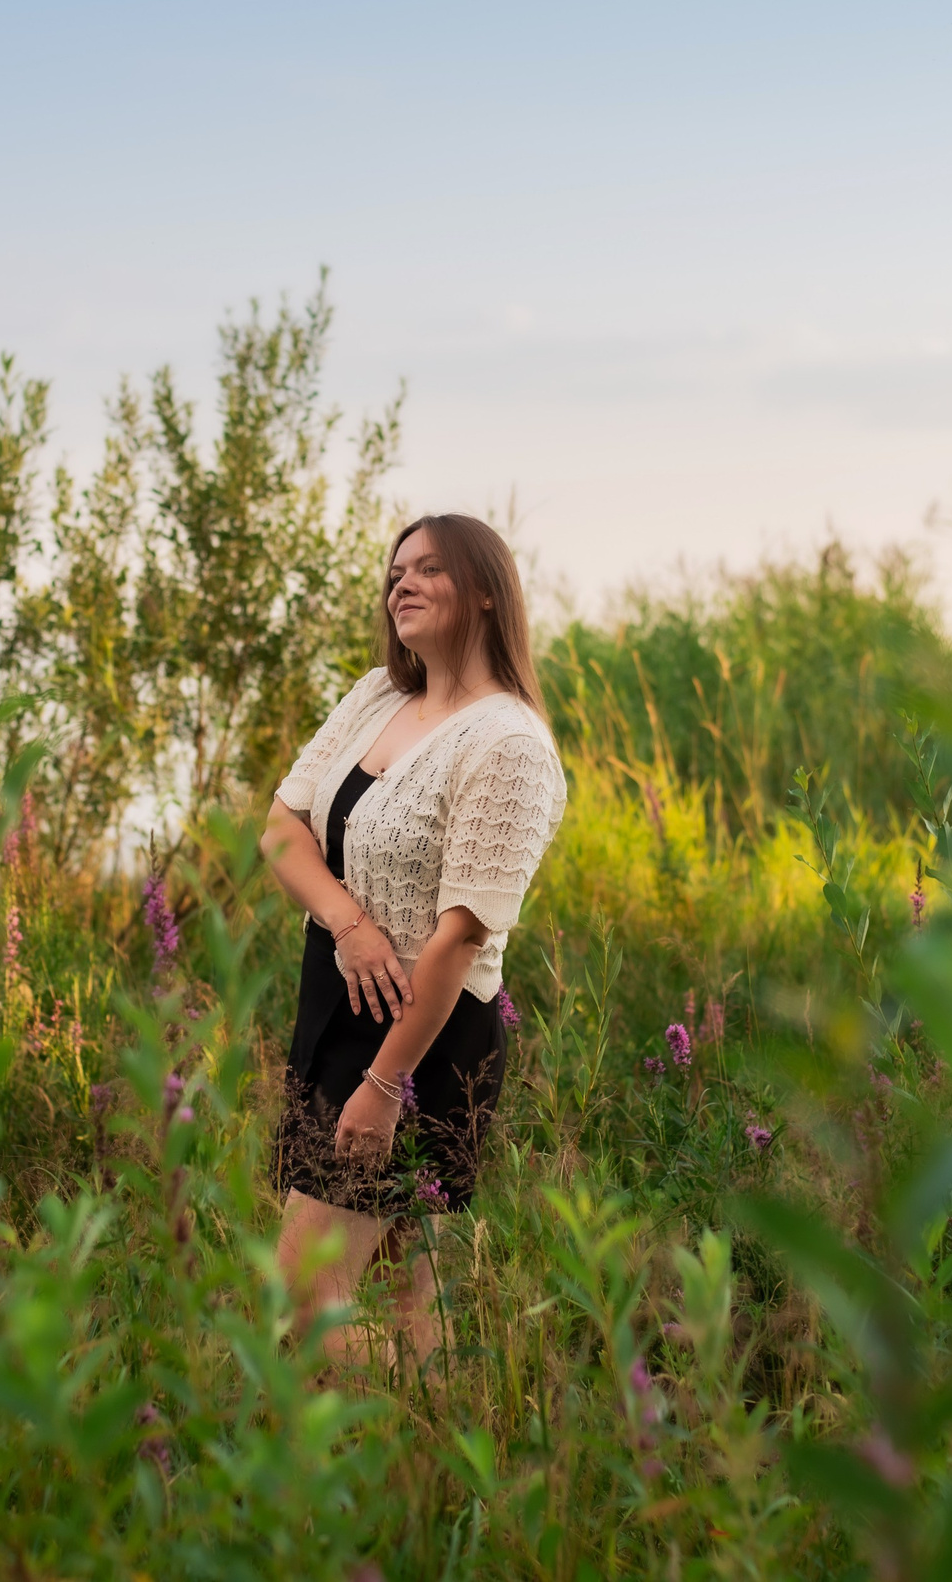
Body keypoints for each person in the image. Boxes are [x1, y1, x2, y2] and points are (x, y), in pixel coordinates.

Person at [260, 512, 568, 1363]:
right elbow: (280, 829)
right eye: (395, 571)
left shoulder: (510, 742)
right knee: (402, 1294)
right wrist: (349, 925)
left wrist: (385, 1083)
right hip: (334, 1006)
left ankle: (348, 1477)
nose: (401, 582)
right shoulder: (377, 696)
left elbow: (460, 937)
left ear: (484, 592)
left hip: (420, 1039)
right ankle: (415, 1479)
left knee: (308, 1286)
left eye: (427, 568)